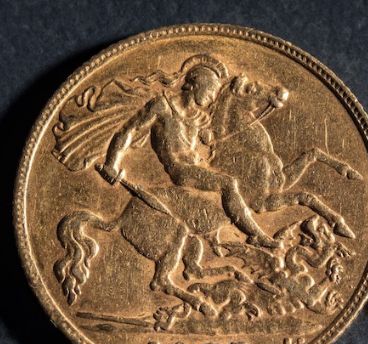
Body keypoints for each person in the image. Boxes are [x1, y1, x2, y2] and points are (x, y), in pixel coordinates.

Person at [97, 54, 278, 248]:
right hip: (180, 170)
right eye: (211, 90)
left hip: (197, 165)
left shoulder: (199, 117)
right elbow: (129, 130)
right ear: (197, 84)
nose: (213, 97)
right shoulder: (163, 106)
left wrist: (208, 137)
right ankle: (255, 234)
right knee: (228, 183)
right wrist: (111, 163)